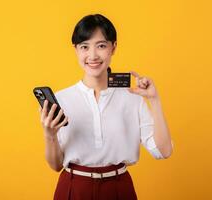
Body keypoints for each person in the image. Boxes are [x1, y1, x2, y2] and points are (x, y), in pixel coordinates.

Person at [38, 14, 174, 200]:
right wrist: (49, 134)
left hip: (118, 188)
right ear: (76, 50)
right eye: (84, 47)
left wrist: (155, 100)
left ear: (113, 47)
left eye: (101, 46)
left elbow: (163, 151)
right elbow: (55, 166)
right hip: (73, 188)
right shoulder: (61, 99)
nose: (92, 55)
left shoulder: (132, 96)